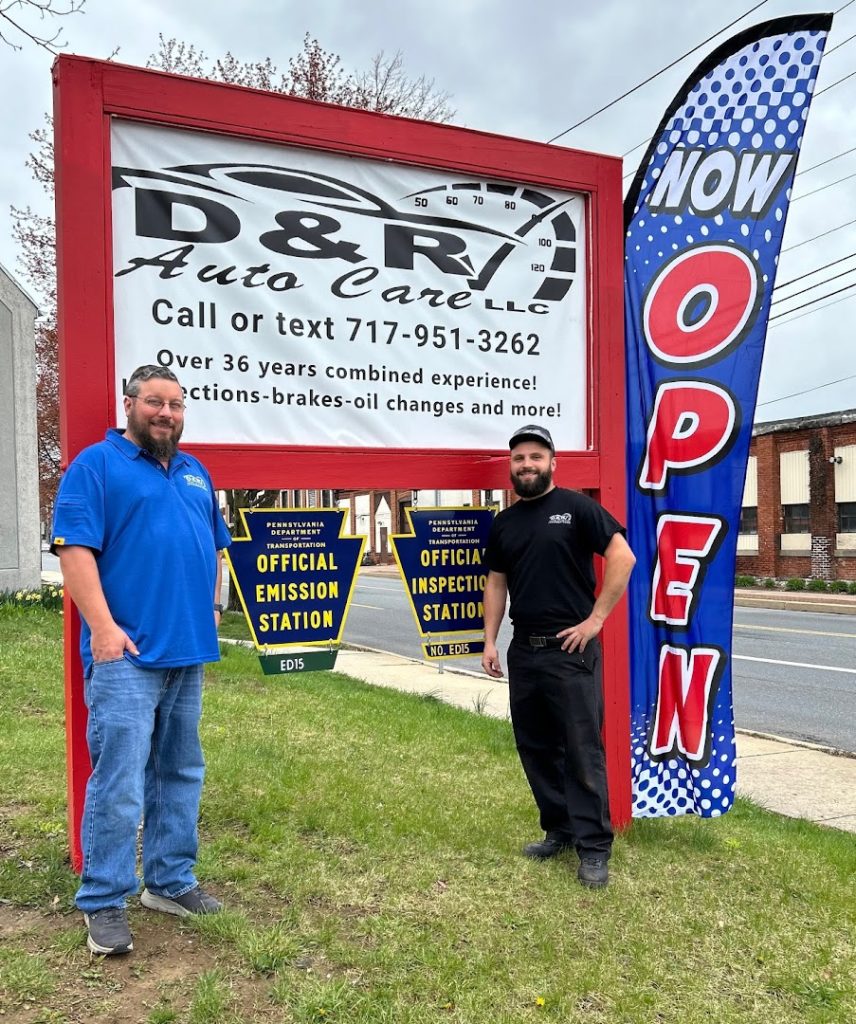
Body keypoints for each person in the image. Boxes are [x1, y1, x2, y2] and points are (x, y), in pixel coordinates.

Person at [51, 365, 232, 955]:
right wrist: (103, 630)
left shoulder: (195, 471)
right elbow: (74, 550)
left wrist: (213, 607)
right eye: (155, 402)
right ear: (128, 404)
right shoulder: (96, 466)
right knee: (120, 781)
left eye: (176, 404)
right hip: (126, 655)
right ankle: (103, 899)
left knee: (180, 771)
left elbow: (214, 546)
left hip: (187, 652)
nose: (166, 413)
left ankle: (170, 881)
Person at [481, 424, 635, 888]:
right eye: (519, 458)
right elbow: (496, 583)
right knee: (536, 746)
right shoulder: (505, 523)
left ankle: (594, 849)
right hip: (525, 650)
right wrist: (490, 641)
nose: (527, 464)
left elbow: (623, 557)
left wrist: (595, 620)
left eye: (536, 456)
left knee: (582, 751)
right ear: (511, 467)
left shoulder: (577, 508)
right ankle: (559, 830)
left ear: (552, 462)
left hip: (571, 651)